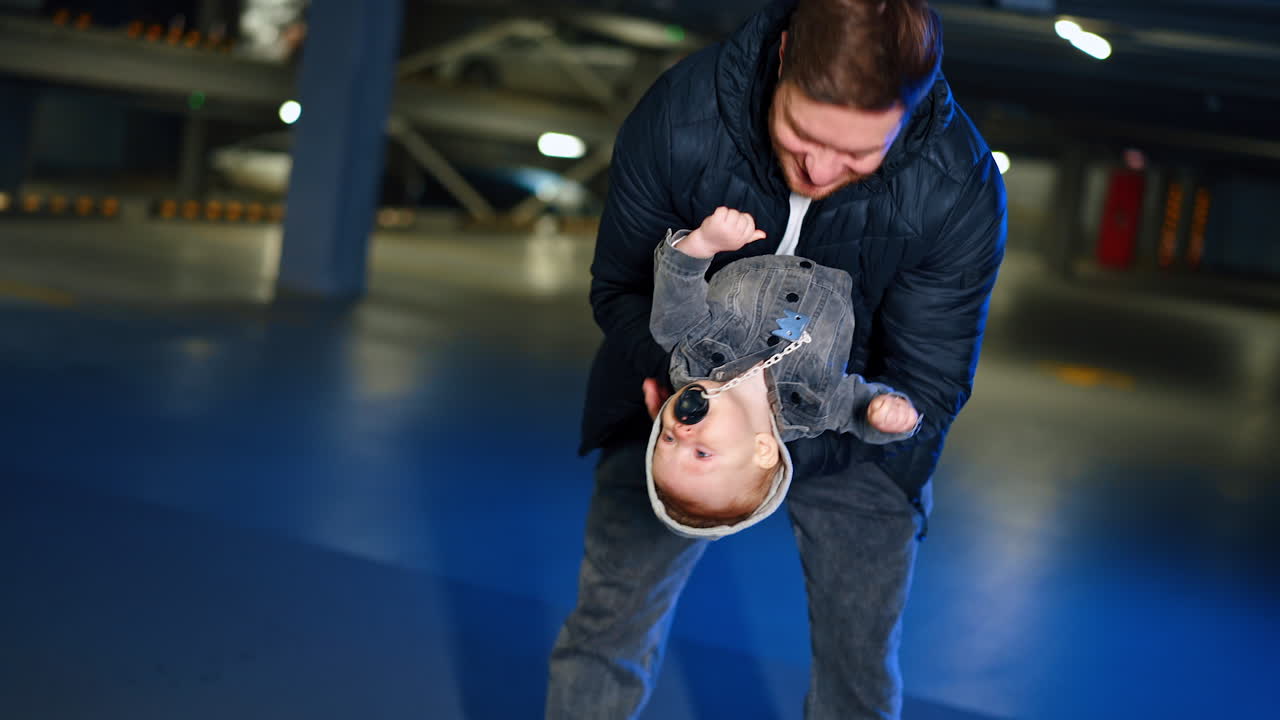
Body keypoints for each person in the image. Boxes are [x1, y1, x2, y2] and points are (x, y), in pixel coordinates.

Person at [547, 0, 1007, 717]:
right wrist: (678, 387)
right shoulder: (684, 115)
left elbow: (928, 383)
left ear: (907, 115)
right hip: (675, 393)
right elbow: (621, 288)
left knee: (858, 670)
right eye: (800, 134)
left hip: (851, 431)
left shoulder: (956, 190)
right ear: (786, 54)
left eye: (858, 156)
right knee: (608, 622)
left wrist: (785, 445)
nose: (818, 170)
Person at [646, 206, 920, 537]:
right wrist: (887, 416)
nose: (682, 432)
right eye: (701, 453)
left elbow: (677, 288)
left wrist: (703, 242)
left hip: (759, 239)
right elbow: (862, 415)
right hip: (850, 255)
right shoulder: (814, 410)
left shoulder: (690, 350)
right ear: (763, 450)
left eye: (668, 438)